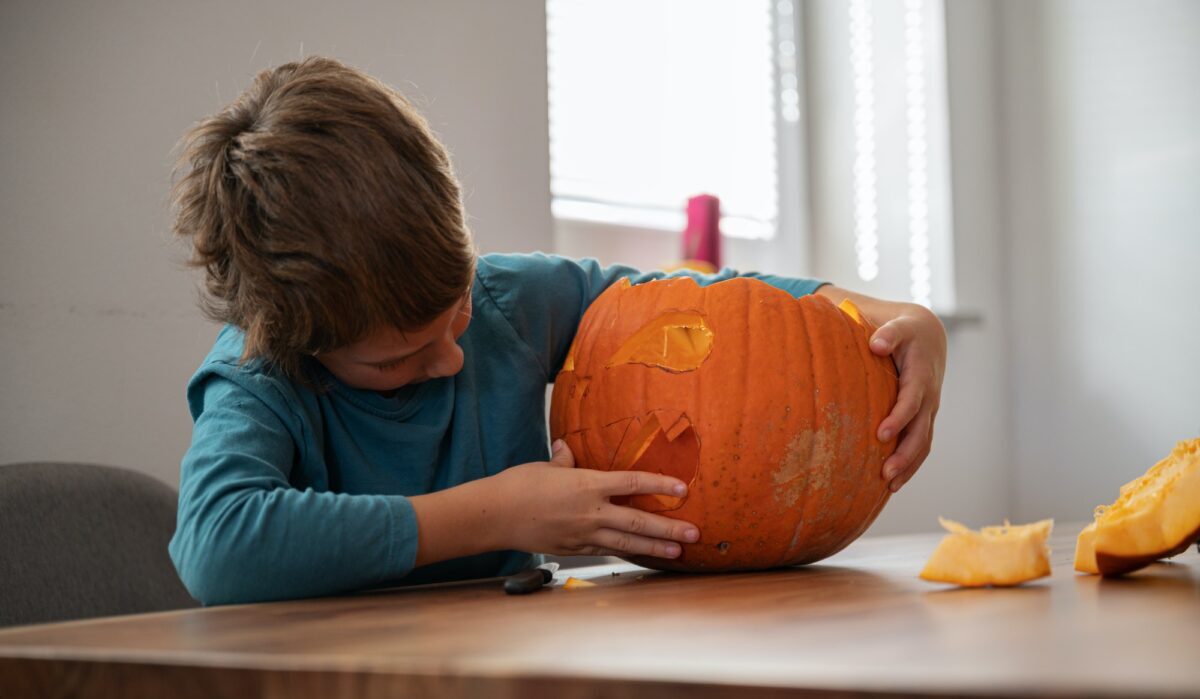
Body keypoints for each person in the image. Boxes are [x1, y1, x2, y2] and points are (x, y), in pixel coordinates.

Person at [168, 56, 947, 606]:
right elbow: (219, 545)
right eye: (400, 357)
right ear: (305, 344)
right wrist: (504, 512)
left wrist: (887, 318)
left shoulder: (511, 300)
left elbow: (705, 307)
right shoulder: (259, 376)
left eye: (456, 313)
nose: (449, 357)